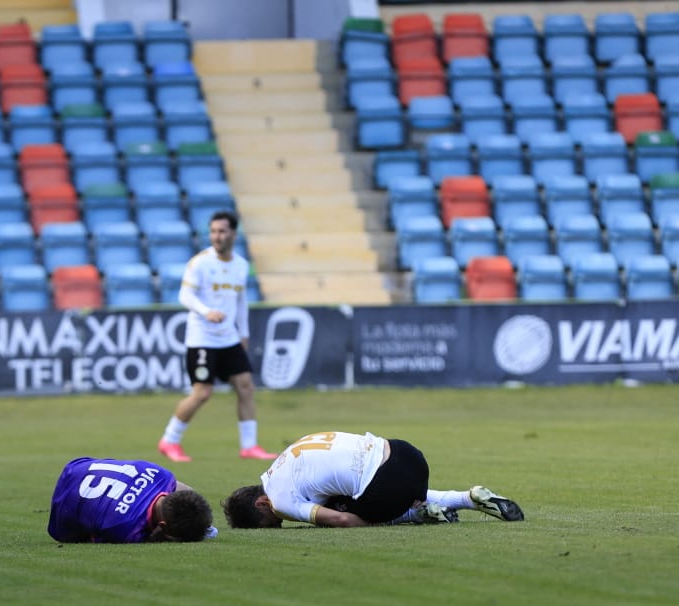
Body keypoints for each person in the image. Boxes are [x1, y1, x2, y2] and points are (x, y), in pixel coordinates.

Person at [157, 209, 277, 464]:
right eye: (213, 231)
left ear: (233, 234)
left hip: (228, 338)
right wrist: (206, 311)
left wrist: (243, 333)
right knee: (202, 393)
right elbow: (185, 296)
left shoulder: (241, 265)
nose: (217, 236)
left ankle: (249, 446)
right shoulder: (200, 262)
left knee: (245, 386)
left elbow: (241, 301)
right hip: (202, 339)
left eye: (222, 231)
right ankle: (169, 440)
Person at [222, 431, 526, 529]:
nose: (279, 523)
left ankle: (418, 514)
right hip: (406, 453)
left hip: (389, 485)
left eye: (269, 522)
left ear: (261, 502)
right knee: (337, 492)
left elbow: (343, 521)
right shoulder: (285, 457)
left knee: (339, 509)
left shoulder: (280, 500)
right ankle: (468, 498)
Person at [49, 457, 218, 543]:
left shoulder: (162, 475)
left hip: (79, 465)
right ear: (162, 526)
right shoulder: (127, 529)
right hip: (61, 512)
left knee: (180, 487)